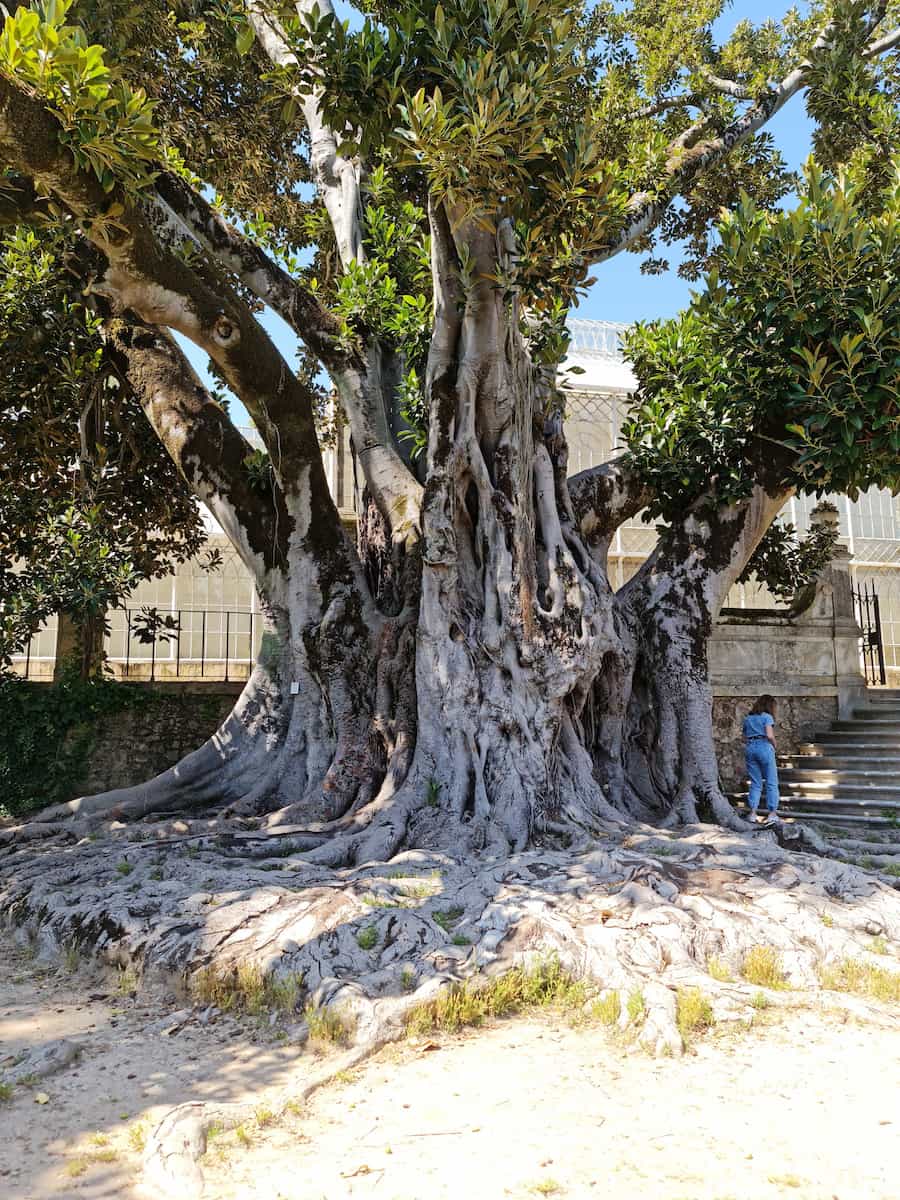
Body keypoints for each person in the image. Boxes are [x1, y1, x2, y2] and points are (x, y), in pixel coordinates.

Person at [743, 695, 780, 825]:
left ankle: (753, 813)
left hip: (750, 748)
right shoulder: (767, 717)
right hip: (764, 746)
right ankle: (772, 813)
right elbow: (769, 735)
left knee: (755, 782)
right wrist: (774, 745)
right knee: (771, 781)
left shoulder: (748, 718)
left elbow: (744, 736)